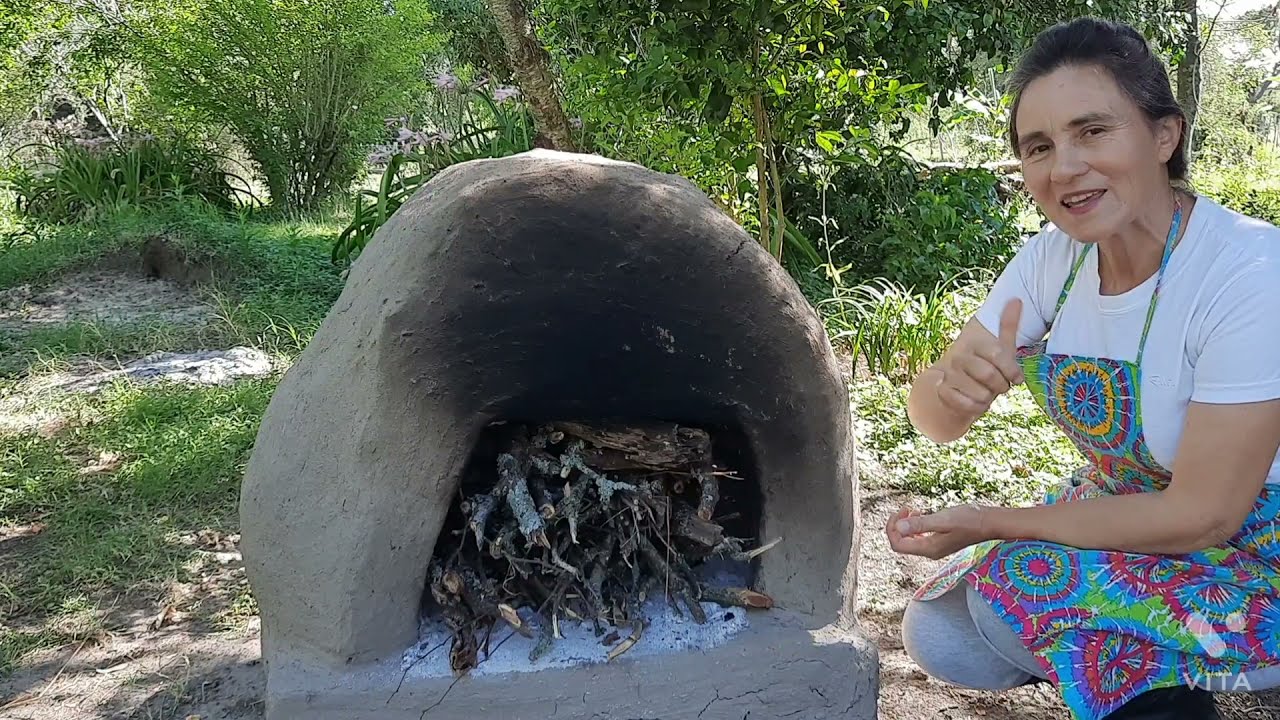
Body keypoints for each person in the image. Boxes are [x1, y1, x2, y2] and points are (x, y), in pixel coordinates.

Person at [888, 16, 1280, 720]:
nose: (1063, 168)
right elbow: (933, 420)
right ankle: (1147, 671)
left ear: (1165, 135)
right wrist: (949, 390)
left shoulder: (1249, 272)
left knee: (1018, 593)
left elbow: (1204, 514)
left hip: (1255, 546)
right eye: (1038, 147)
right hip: (1129, 510)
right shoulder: (1052, 260)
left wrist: (995, 521)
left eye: (1092, 131)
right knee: (943, 630)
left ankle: (1168, 695)